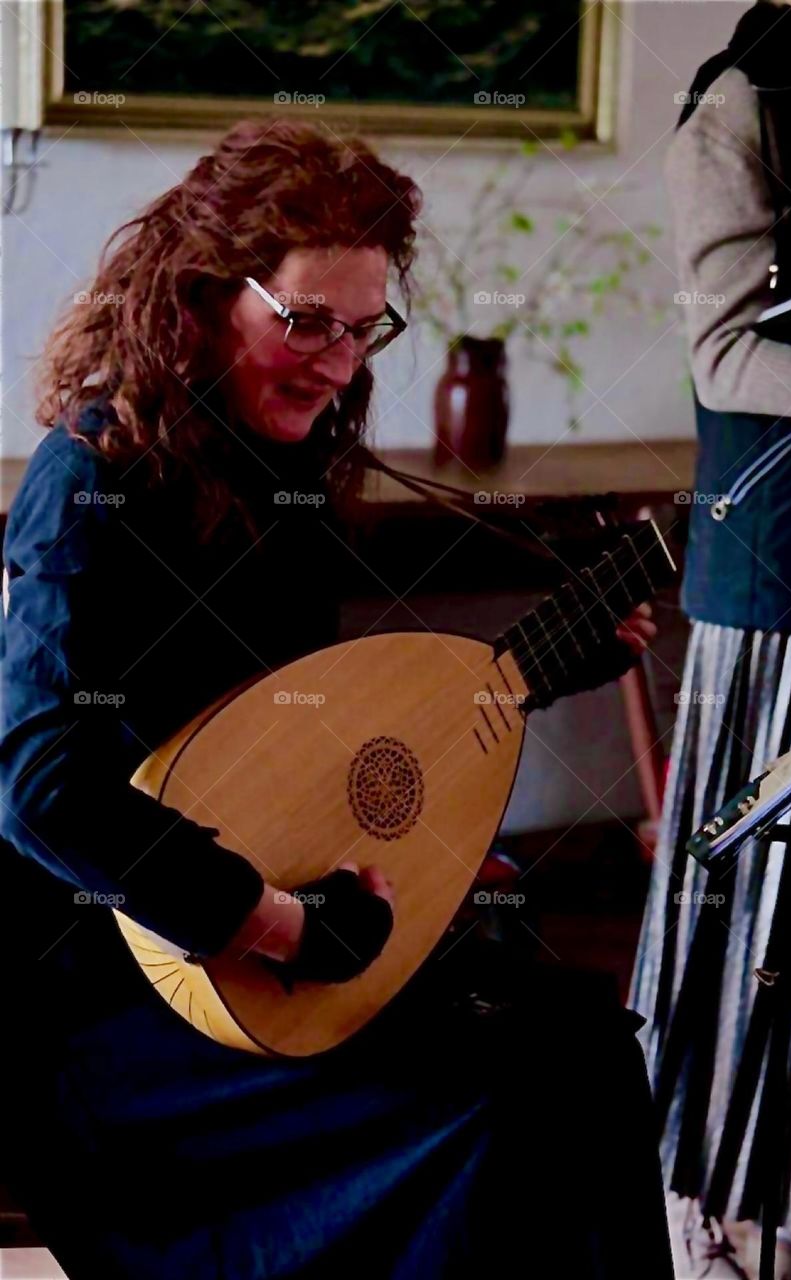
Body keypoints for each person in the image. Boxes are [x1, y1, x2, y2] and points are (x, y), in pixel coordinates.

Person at [0, 117, 671, 1279]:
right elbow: (41, 786)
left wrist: (535, 679)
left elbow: (298, 744)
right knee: (496, 1099)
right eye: (306, 321)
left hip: (279, 925)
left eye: (363, 329)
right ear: (202, 299)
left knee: (578, 1046)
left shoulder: (283, 471)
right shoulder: (93, 476)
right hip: (127, 991)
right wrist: (275, 923)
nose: (338, 363)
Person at [630, 2, 791, 1277]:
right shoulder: (741, 97)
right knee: (771, 910)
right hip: (790, 578)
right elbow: (723, 357)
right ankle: (721, 1219)